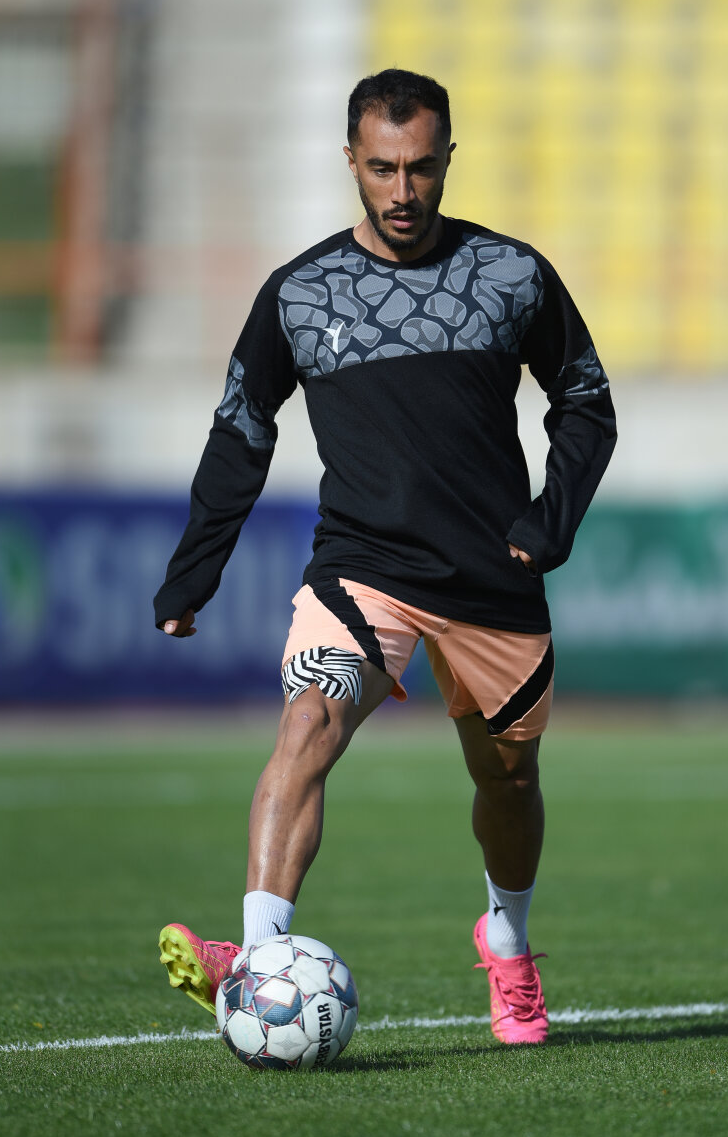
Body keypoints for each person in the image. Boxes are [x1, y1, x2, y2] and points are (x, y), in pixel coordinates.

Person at [154, 69, 616, 1046]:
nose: (401, 191)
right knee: (307, 720)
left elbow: (584, 401)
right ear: (350, 162)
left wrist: (552, 517)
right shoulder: (300, 291)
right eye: (380, 169)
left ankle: (507, 940)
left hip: (493, 574)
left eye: (419, 167)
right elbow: (241, 429)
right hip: (364, 569)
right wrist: (195, 568)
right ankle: (258, 954)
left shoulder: (511, 275)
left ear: (447, 158)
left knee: (508, 783)